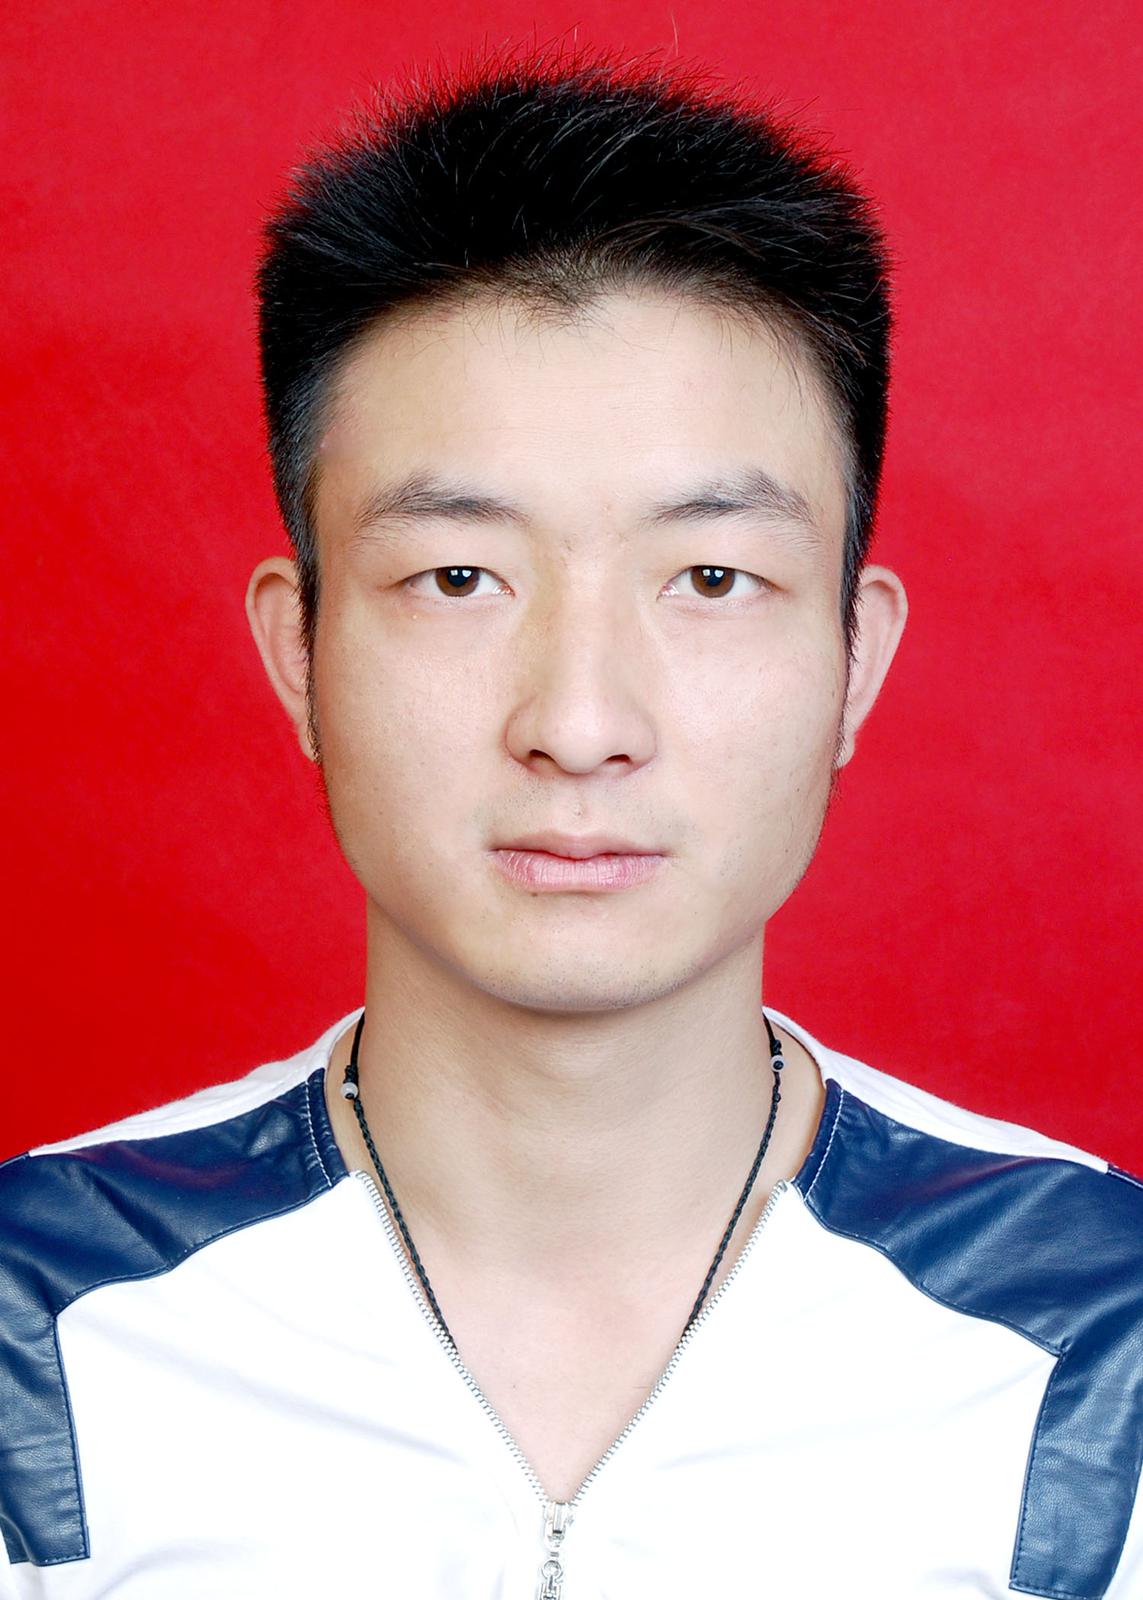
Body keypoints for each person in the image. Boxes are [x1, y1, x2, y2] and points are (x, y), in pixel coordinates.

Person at [1, 46, 1139, 1600]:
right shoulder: (40, 1320)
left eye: (712, 578)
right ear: (299, 653)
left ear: (855, 662)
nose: (582, 721)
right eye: (458, 578)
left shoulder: (1102, 1338)